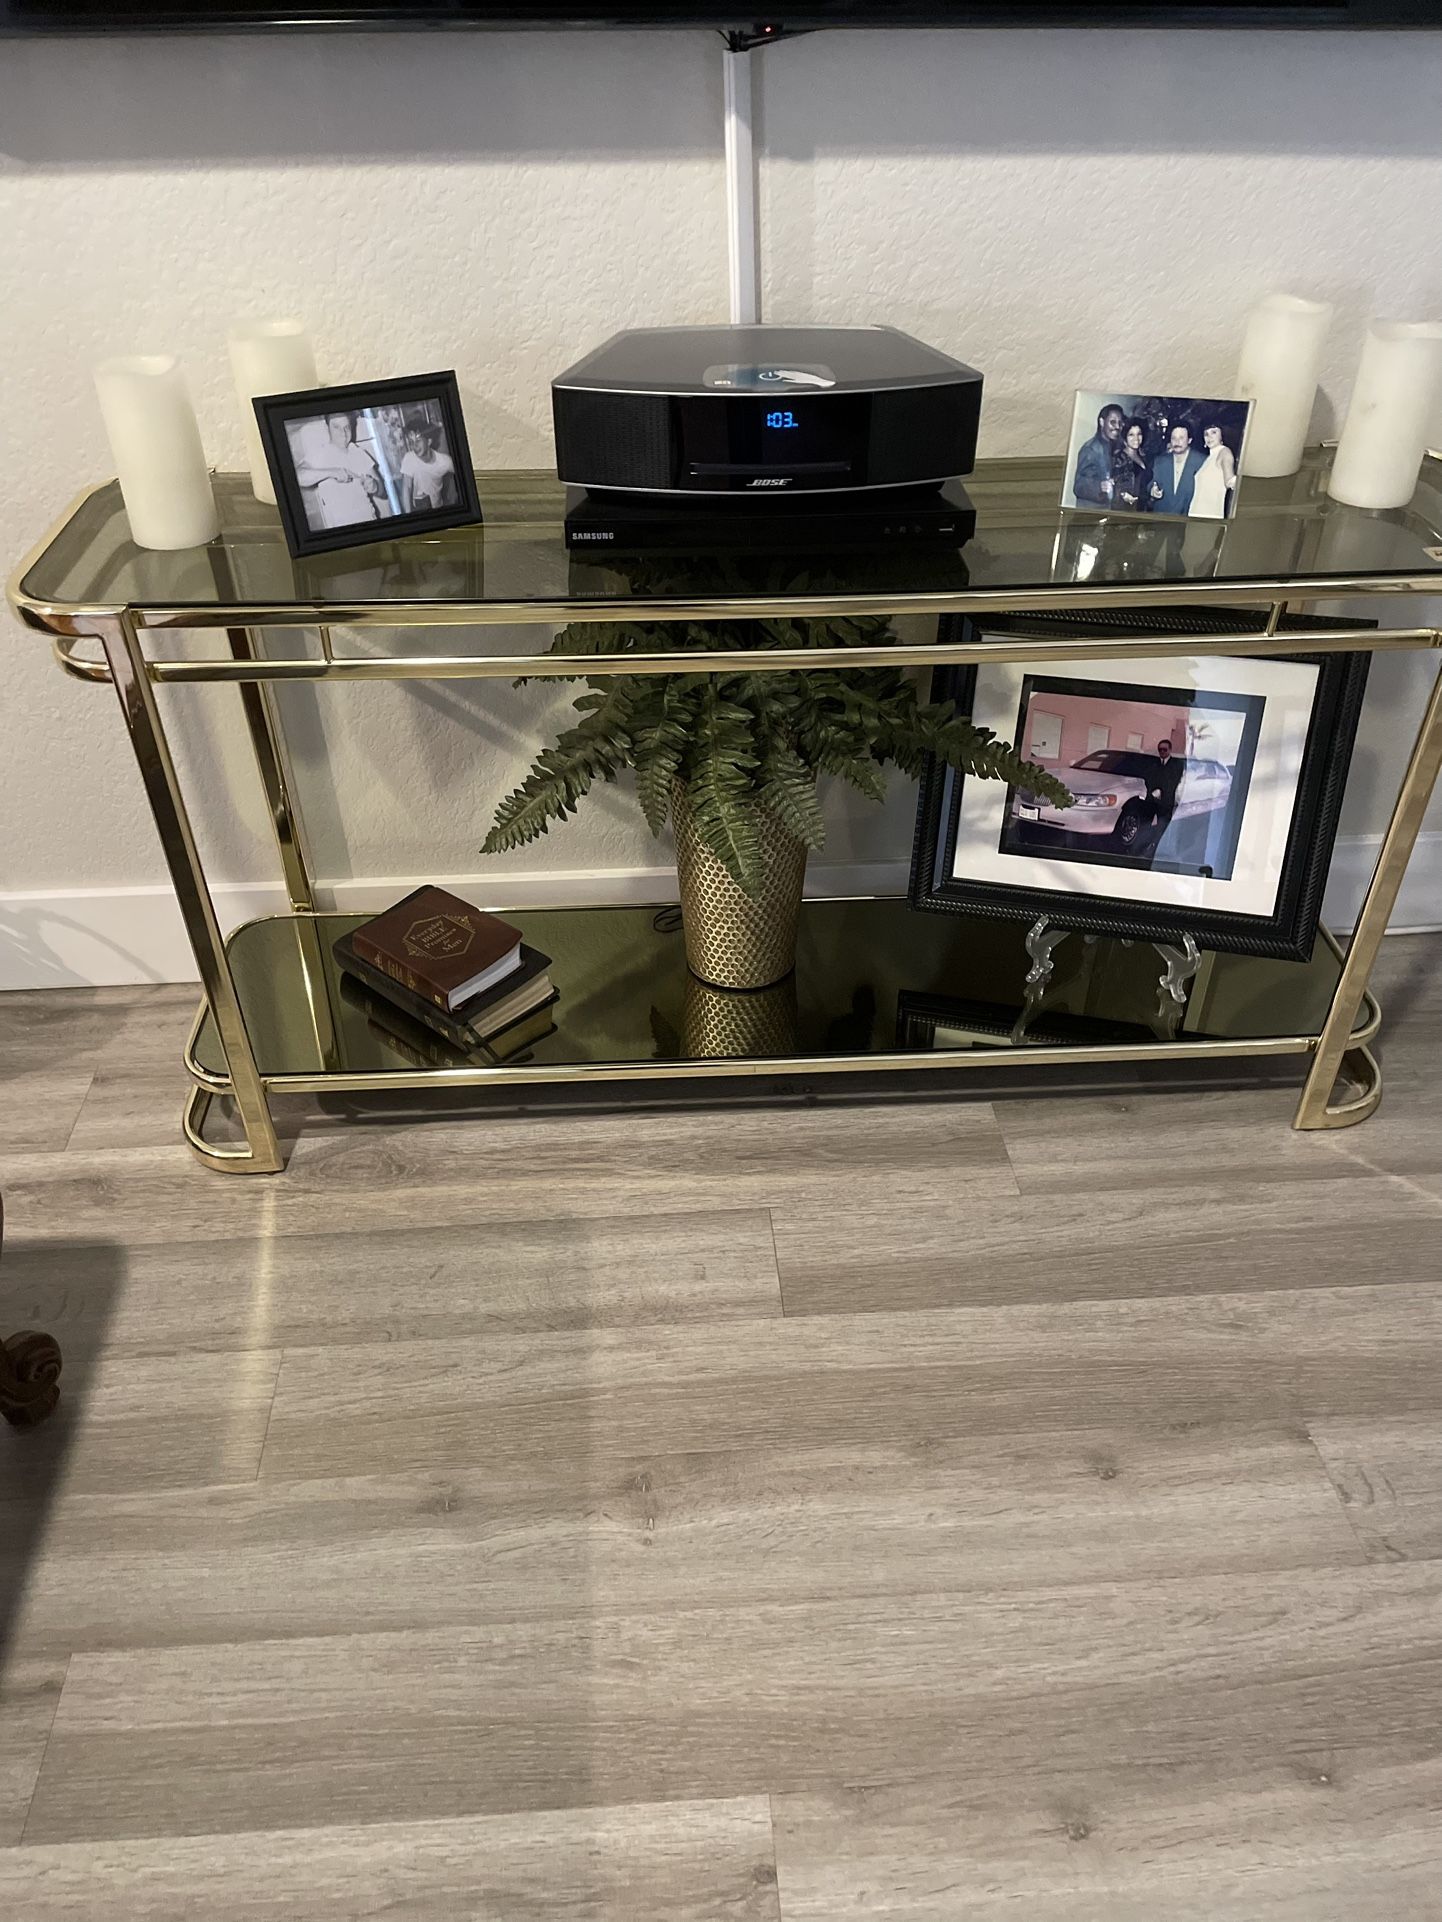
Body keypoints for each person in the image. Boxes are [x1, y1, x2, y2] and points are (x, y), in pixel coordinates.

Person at [292, 413, 385, 530]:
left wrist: (375, 486)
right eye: (337, 427)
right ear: (327, 428)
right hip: (341, 529)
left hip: (369, 521)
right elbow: (297, 477)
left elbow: (382, 491)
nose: (343, 433)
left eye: (347, 427)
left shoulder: (358, 452)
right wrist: (332, 472)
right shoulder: (321, 453)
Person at [1072, 403, 1125, 507]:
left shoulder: (1112, 445)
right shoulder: (1090, 449)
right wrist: (1100, 486)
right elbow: (1078, 486)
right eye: (1113, 422)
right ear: (1101, 422)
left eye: (1120, 423)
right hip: (1090, 514)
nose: (1117, 427)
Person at [1150, 424, 1207, 516]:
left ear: (1189, 440)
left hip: (1189, 520)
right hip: (1162, 519)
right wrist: (1152, 490)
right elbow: (1153, 482)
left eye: (1181, 438)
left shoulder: (1202, 462)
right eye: (1174, 438)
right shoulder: (1160, 461)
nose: (1177, 442)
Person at [400, 427, 457, 512]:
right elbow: (407, 488)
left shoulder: (444, 461)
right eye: (411, 442)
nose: (414, 446)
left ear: (429, 441)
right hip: (418, 510)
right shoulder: (409, 458)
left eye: (418, 440)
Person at [1188, 422, 1237, 520]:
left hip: (1210, 515)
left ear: (1222, 435)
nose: (1209, 437)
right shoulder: (1208, 458)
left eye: (1213, 432)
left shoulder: (1224, 452)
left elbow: (1230, 481)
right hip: (1195, 514)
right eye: (1206, 434)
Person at [1111, 419, 1152, 512]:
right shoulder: (1119, 458)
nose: (1136, 438)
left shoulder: (1143, 455)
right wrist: (1122, 494)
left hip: (1143, 508)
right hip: (1126, 509)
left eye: (1139, 434)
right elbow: (1114, 484)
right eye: (1131, 434)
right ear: (1125, 437)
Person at [1147, 737, 1185, 835]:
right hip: (1151, 800)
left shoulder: (1177, 764)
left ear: (1170, 750)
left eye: (1165, 749)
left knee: (1163, 827)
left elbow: (1173, 781)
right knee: (1146, 825)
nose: (1162, 752)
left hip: (1166, 801)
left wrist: (1160, 791)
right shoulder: (1153, 763)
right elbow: (1148, 778)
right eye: (1160, 749)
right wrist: (1153, 791)